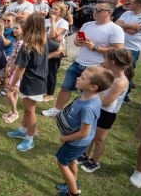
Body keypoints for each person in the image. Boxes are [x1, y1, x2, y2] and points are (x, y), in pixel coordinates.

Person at [42, 0, 124, 118]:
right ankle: (57, 109)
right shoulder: (87, 25)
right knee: (65, 87)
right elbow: (76, 42)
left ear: (109, 12)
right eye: (95, 9)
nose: (94, 12)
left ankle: (82, 116)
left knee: (89, 94)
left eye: (98, 10)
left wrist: (95, 48)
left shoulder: (115, 29)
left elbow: (118, 50)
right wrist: (78, 42)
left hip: (97, 67)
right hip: (78, 62)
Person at [54, 67, 114, 196]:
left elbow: (84, 133)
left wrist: (65, 139)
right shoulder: (86, 95)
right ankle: (73, 182)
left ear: (93, 87)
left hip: (76, 142)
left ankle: (74, 192)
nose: (78, 78)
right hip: (77, 141)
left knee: (62, 162)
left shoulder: (89, 107)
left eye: (82, 78)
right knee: (71, 160)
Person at [78, 48, 132, 173]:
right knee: (90, 134)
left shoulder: (121, 82)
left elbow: (107, 103)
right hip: (97, 107)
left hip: (107, 113)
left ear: (112, 62)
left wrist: (92, 92)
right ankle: (85, 154)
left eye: (105, 58)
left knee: (98, 139)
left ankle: (94, 161)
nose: (103, 60)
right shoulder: (108, 73)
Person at [6, 13, 48, 152]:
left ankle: (29, 139)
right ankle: (23, 130)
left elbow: (20, 70)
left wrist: (12, 85)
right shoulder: (43, 41)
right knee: (28, 110)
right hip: (37, 81)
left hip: (32, 84)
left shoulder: (27, 45)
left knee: (30, 112)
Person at [116, 0, 141, 102]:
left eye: (131, 3)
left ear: (138, 5)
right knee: (115, 69)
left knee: (127, 72)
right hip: (119, 44)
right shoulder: (127, 13)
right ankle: (115, 91)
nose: (129, 4)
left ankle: (125, 95)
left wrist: (124, 26)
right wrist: (131, 26)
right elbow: (117, 23)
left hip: (133, 48)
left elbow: (135, 30)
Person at [44, 2, 69, 102]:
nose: (53, 11)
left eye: (56, 9)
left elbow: (53, 36)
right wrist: (51, 36)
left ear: (61, 12)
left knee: (51, 72)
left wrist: (53, 22)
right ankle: (42, 90)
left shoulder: (63, 23)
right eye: (52, 8)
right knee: (42, 70)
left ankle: (50, 94)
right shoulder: (45, 21)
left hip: (56, 50)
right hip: (44, 47)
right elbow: (42, 35)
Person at [2, 21, 23, 124]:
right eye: (14, 27)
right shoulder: (16, 41)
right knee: (14, 92)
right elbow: (12, 56)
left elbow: (19, 60)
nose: (14, 29)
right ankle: (12, 110)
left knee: (9, 93)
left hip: (16, 71)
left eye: (17, 28)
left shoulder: (21, 43)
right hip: (11, 68)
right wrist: (7, 66)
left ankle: (15, 113)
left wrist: (11, 70)